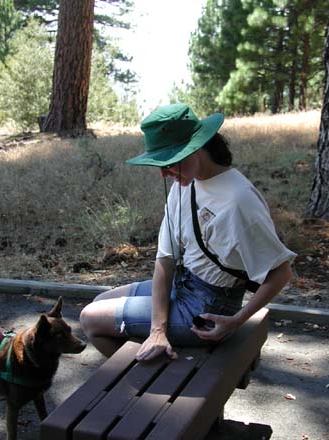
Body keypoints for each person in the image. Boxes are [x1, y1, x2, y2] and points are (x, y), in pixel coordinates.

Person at [80, 103, 296, 361]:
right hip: (183, 283)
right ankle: (161, 369)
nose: (163, 173)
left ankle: (159, 385)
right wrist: (157, 328)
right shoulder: (186, 183)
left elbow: (281, 272)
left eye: (169, 162)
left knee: (90, 320)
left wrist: (236, 320)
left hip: (210, 306)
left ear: (196, 148)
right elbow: (165, 259)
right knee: (99, 301)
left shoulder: (238, 202)